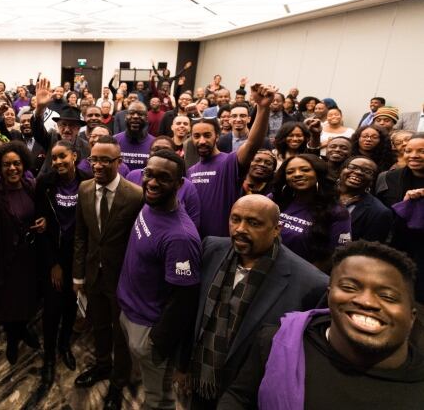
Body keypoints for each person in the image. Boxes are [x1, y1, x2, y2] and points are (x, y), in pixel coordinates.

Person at [219, 241, 424, 409]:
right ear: (329, 296)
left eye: (387, 296)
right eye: (349, 287)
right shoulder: (278, 341)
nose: (367, 302)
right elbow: (239, 397)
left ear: (412, 316)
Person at [186, 195, 327, 409]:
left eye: (254, 223)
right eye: (235, 219)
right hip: (200, 378)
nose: (240, 228)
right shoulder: (212, 248)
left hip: (249, 396)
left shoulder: (311, 283)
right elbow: (192, 313)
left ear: (277, 229)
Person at [117, 149, 202, 410]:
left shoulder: (180, 238)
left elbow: (184, 300)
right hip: (130, 313)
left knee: (158, 400)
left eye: (163, 178)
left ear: (179, 184)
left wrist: (158, 342)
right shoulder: (152, 202)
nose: (152, 183)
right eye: (148, 174)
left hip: (148, 328)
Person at [73, 136, 144, 409]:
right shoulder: (84, 188)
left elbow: (138, 243)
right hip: (93, 275)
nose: (99, 165)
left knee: (120, 332)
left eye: (106, 160)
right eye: (94, 159)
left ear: (119, 162)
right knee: (99, 325)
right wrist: (78, 275)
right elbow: (81, 235)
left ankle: (118, 381)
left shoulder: (135, 195)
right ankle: (103, 365)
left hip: (122, 279)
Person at [0, 141, 46, 364]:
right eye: (6, 164)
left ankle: (23, 328)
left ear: (24, 165)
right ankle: (12, 336)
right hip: (7, 258)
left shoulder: (31, 185)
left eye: (16, 164)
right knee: (9, 300)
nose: (12, 169)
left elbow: (42, 211)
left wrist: (43, 222)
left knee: (29, 296)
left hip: (31, 255)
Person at [36, 140, 93, 389]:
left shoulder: (87, 181)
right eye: (54, 158)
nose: (57, 162)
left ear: (75, 156)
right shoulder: (45, 183)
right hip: (54, 256)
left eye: (62, 157)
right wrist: (52, 264)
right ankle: (49, 356)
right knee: (51, 309)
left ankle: (63, 345)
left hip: (79, 256)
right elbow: (41, 227)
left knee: (71, 305)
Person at [187, 84, 277, 238]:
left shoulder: (229, 162)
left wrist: (262, 108)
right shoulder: (190, 171)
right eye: (196, 136)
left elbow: (252, 143)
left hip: (222, 243)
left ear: (217, 136)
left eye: (207, 135)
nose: (202, 141)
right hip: (195, 241)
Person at [272, 154, 351, 270]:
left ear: (318, 174)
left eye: (305, 170)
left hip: (303, 278)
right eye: (290, 172)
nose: (297, 174)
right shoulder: (275, 200)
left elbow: (335, 257)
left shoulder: (337, 212)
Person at [376, 133, 424, 300]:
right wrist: (404, 206)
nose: (413, 156)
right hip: (396, 249)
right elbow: (382, 216)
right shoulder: (389, 178)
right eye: (408, 150)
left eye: (421, 151)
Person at [126, 135, 202, 229]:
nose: (160, 153)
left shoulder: (188, 186)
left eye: (166, 150)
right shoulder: (132, 176)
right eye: (156, 149)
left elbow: (193, 222)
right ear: (149, 153)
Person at [33, 78, 91, 175]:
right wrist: (40, 108)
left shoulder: (85, 146)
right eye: (63, 124)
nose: (67, 129)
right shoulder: (51, 137)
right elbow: (37, 131)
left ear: (78, 128)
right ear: (57, 126)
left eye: (72, 125)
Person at [338, 156, 393, 242]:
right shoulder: (321, 195)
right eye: (352, 167)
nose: (358, 172)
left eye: (368, 171)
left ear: (372, 181)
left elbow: (367, 250)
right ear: (341, 170)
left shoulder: (379, 212)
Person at [114, 101, 155, 171]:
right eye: (131, 113)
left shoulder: (154, 143)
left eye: (140, 114)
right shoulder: (114, 141)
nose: (135, 116)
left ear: (146, 119)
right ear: (125, 117)